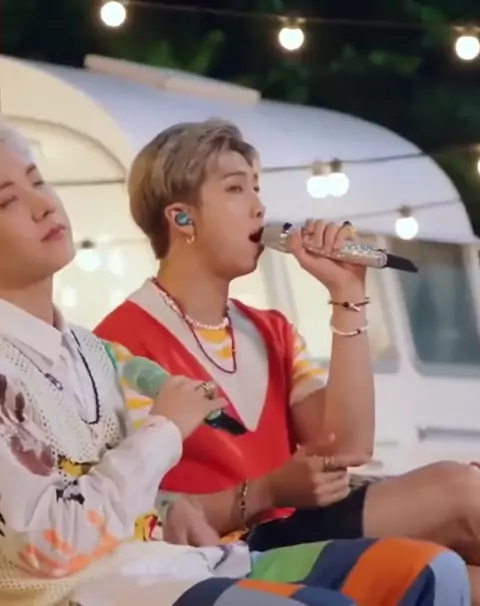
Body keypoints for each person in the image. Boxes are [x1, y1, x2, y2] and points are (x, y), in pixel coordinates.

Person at [0, 119, 470, 606]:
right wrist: (261, 491)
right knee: (457, 495)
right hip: (209, 551)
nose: (259, 206)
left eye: (257, 187)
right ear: (182, 219)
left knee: (449, 567)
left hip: (234, 549)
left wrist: (347, 295)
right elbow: (122, 506)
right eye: (235, 188)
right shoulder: (122, 343)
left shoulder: (268, 330)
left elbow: (346, 448)